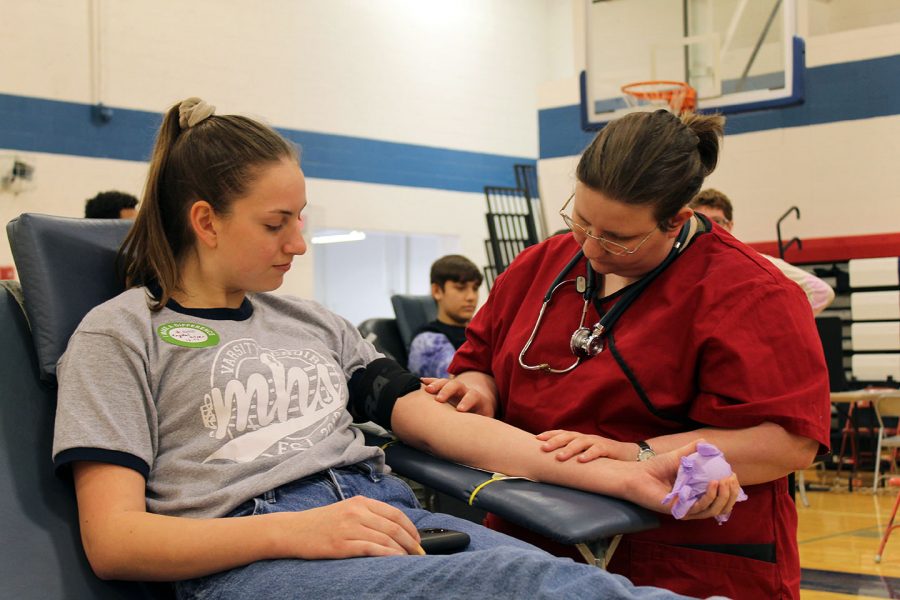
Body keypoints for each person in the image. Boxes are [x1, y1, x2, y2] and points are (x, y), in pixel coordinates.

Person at [51, 98, 739, 600]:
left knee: (559, 578)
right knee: (525, 582)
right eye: (276, 223)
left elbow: (457, 431)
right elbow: (116, 543)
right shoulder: (122, 336)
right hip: (253, 553)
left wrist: (629, 475)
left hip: (384, 514)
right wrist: (301, 533)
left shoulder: (315, 323)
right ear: (205, 221)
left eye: (302, 218)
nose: (298, 242)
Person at [426, 109, 831, 599]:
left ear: (676, 219)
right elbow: (480, 359)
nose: (591, 247)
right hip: (531, 537)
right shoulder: (541, 267)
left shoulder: (751, 293)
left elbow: (788, 443)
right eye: (581, 219)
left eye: (618, 237)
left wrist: (638, 455)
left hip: (680, 558)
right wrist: (475, 388)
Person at [689, 188, 835, 315]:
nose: (710, 229)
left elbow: (821, 292)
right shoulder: (686, 268)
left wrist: (784, 324)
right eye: (703, 222)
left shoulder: (755, 261)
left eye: (717, 221)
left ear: (730, 225)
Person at [407, 254, 482, 378]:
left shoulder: (480, 332)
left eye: (475, 289)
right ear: (437, 291)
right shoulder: (427, 341)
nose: (471, 297)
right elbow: (458, 383)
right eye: (460, 288)